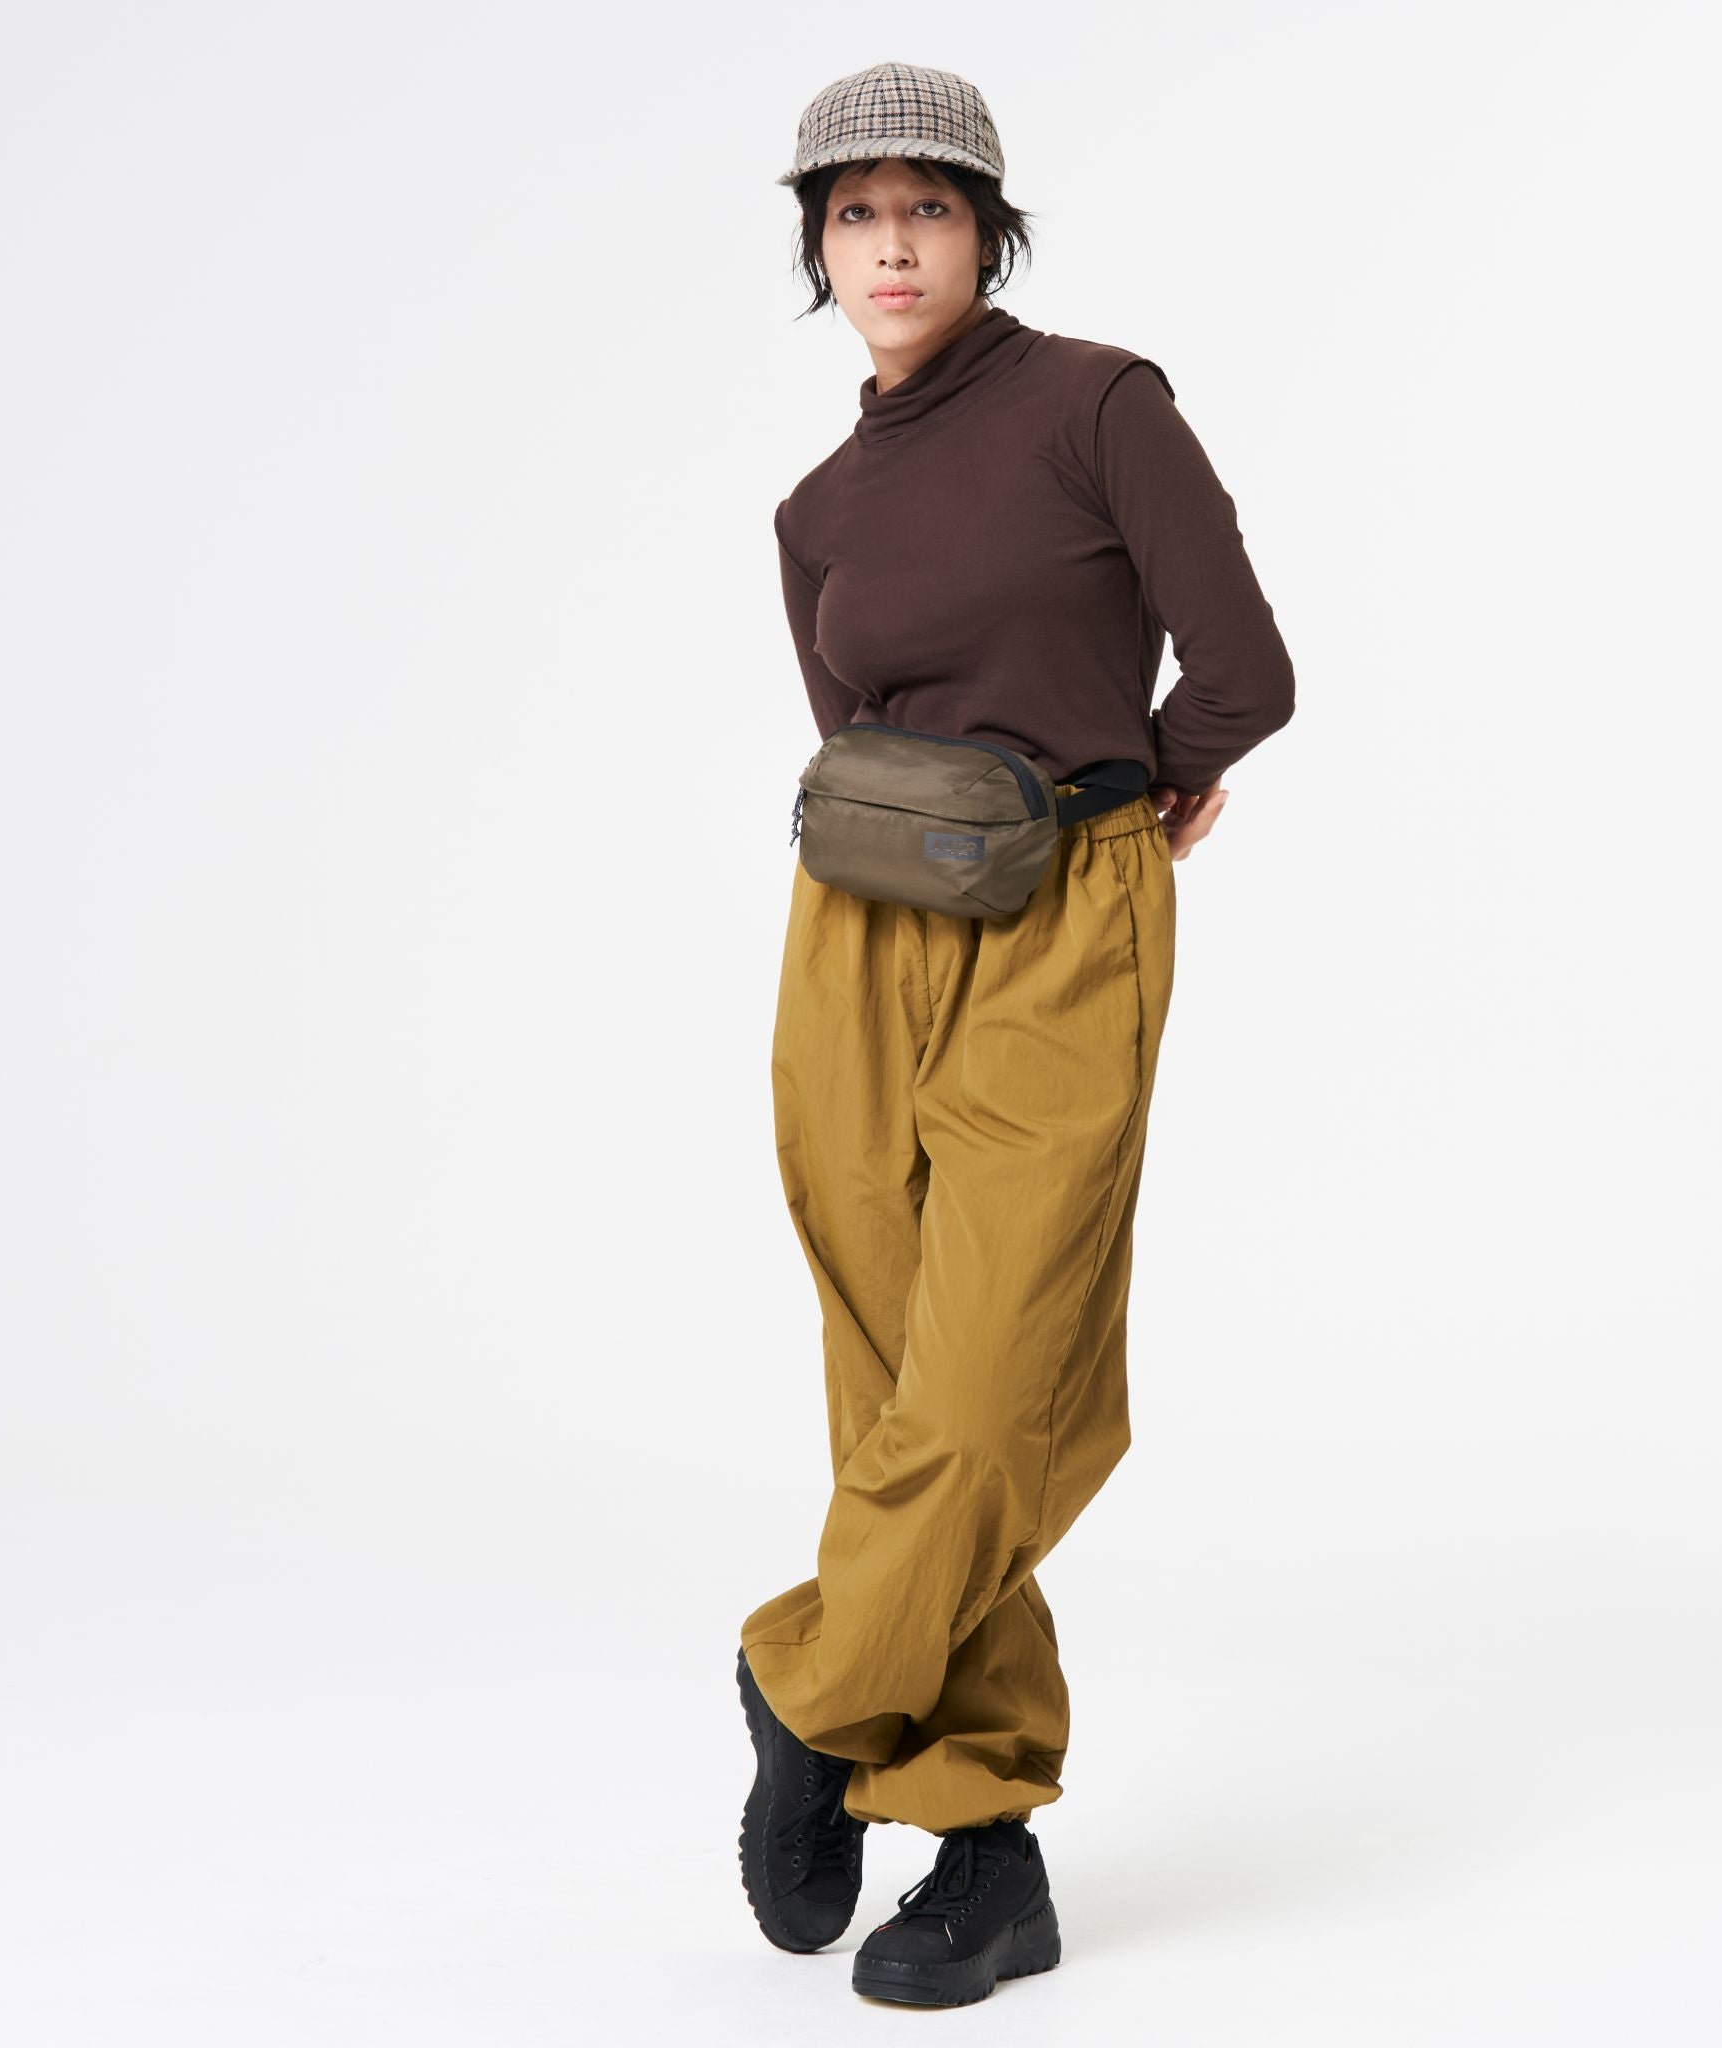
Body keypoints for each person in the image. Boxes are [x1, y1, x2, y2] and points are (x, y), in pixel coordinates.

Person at [735, 61, 1296, 2007]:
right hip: (854, 931)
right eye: (855, 212)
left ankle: (809, 1686)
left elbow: (1244, 661)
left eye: (930, 208)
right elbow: (850, 735)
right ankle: (989, 1858)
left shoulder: (1098, 407)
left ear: (989, 232)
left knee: (1003, 1384)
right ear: (818, 245)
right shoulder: (815, 505)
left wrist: (1158, 784)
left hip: (1065, 903)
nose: (892, 243)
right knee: (895, 1380)